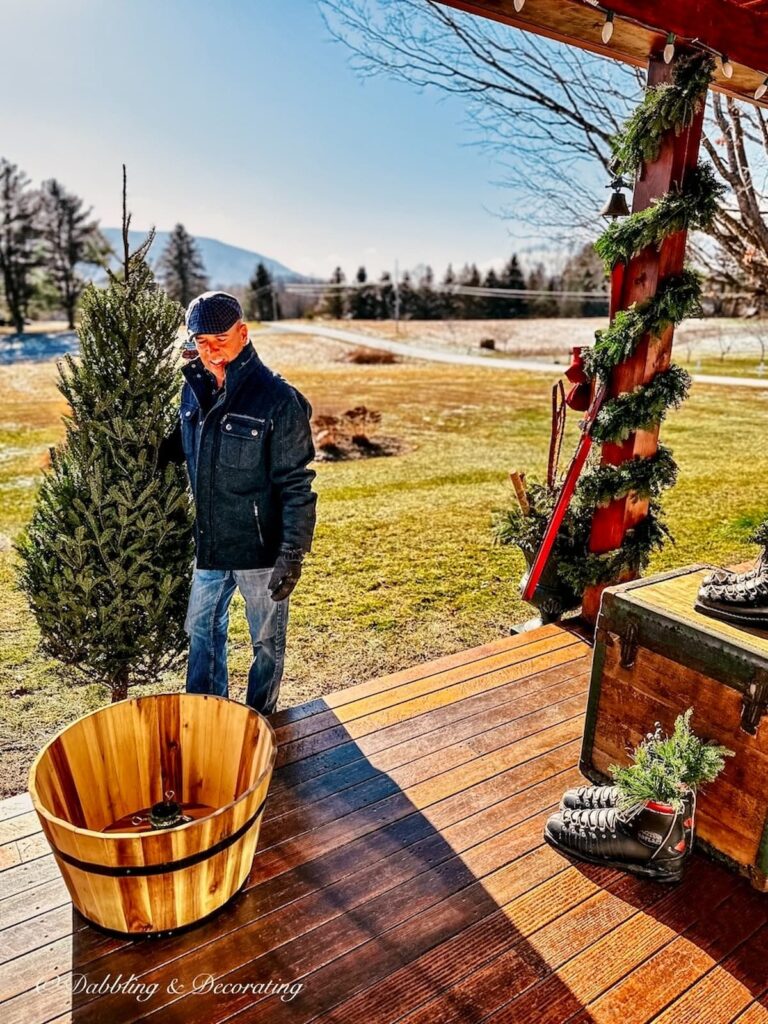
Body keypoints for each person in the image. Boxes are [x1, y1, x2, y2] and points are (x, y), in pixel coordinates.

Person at [162, 290, 317, 714]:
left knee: (266, 642)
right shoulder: (192, 388)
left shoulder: (279, 400)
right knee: (201, 632)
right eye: (200, 342)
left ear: (243, 333)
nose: (210, 352)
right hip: (211, 545)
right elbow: (187, 440)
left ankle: (260, 718)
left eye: (219, 339)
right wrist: (152, 452)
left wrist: (292, 552)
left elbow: (297, 483)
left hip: (262, 551)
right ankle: (207, 718)